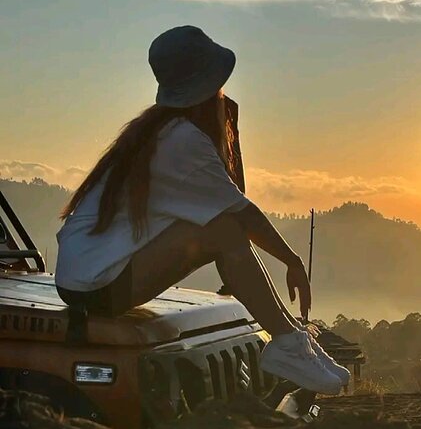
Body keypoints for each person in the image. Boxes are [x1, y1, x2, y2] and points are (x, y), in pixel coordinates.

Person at [54, 25, 349, 395]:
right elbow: (240, 213)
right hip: (96, 283)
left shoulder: (160, 131)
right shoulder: (181, 140)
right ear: (208, 86)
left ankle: (293, 340)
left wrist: (229, 128)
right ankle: (290, 344)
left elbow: (229, 199)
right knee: (222, 231)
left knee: (222, 227)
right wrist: (292, 260)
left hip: (87, 276)